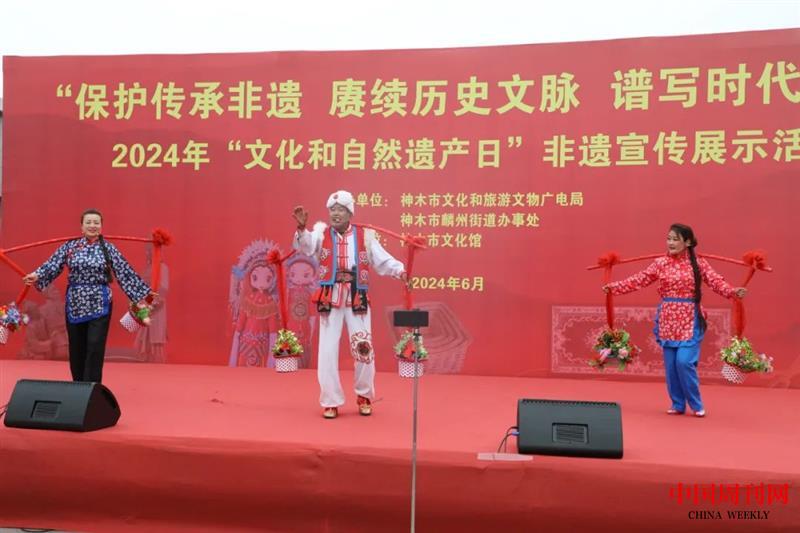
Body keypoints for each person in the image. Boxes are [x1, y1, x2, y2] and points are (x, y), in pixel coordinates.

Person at [603, 224, 746, 417]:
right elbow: (640, 279)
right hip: (668, 319)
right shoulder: (660, 263)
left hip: (690, 318)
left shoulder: (699, 264)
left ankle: (696, 404)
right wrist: (614, 287)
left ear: (688, 242)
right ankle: (678, 404)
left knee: (684, 362)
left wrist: (733, 291)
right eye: (668, 238)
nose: (670, 242)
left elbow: (716, 282)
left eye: (675, 239)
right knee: (671, 367)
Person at [293, 190, 408, 419]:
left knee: (363, 347)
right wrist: (301, 229)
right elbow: (304, 246)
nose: (335, 214)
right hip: (330, 295)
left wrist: (400, 271)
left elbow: (382, 259)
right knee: (327, 351)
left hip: (357, 295)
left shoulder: (365, 236)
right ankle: (330, 401)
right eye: (332, 210)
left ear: (350, 213)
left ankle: (364, 395)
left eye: (341, 210)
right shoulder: (320, 234)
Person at [22, 209, 153, 382]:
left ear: (101, 226)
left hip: (100, 301)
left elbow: (124, 272)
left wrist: (143, 293)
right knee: (77, 346)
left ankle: (92, 387)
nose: (93, 225)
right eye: (89, 222)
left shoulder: (108, 249)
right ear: (82, 227)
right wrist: (36, 275)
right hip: (75, 301)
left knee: (95, 345)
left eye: (96, 222)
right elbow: (52, 264)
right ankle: (78, 386)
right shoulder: (70, 247)